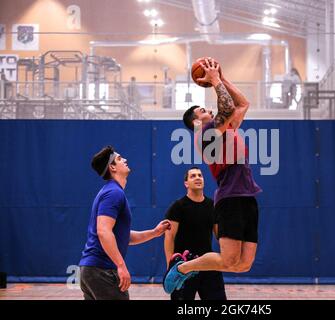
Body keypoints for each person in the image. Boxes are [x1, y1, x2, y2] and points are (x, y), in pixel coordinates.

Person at [163, 58, 262, 294]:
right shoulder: (205, 134)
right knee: (228, 261)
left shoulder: (223, 128)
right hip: (230, 198)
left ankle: (189, 266)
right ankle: (183, 268)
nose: (208, 110)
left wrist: (221, 76)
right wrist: (215, 81)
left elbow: (242, 104)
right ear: (197, 120)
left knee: (243, 264)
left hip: (247, 196)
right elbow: (227, 108)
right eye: (202, 110)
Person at [79, 145, 171, 300]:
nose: (125, 160)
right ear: (112, 167)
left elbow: (123, 237)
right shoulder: (113, 193)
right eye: (120, 158)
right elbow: (103, 231)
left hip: (92, 270)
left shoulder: (112, 191)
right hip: (102, 271)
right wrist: (121, 266)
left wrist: (154, 233)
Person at [164, 167, 227, 300]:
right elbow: (169, 237)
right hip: (184, 267)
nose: (198, 178)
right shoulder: (178, 207)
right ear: (186, 183)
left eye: (200, 175)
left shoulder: (213, 205)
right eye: (193, 176)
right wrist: (171, 267)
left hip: (209, 264)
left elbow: (219, 235)